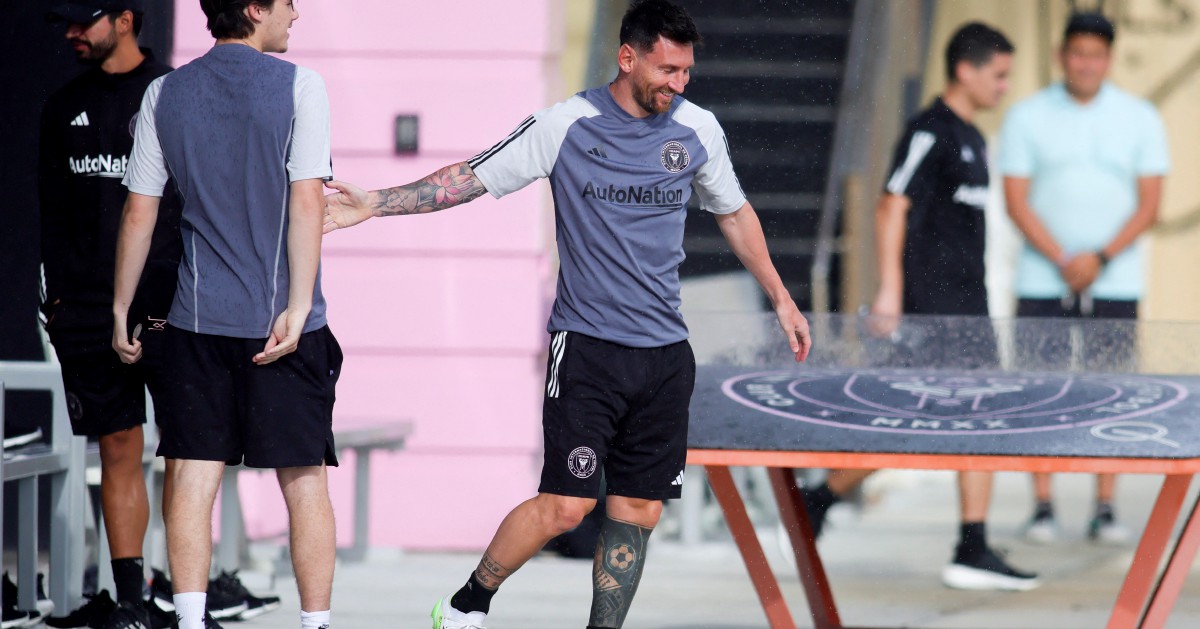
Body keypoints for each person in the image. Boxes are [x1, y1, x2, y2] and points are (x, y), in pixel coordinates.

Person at [323, 2, 811, 626]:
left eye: (687, 71)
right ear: (627, 57)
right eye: (667, 69)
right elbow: (468, 178)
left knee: (639, 511)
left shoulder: (698, 131)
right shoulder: (567, 124)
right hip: (587, 349)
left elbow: (735, 215)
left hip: (665, 357)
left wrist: (782, 299)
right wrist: (378, 204)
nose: (678, 84)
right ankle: (469, 602)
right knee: (566, 506)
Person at [113, 1, 339, 628]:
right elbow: (306, 201)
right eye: (286, 1)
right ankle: (315, 624)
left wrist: (121, 307)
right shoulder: (301, 86)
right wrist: (296, 307)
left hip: (194, 322)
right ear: (253, 9)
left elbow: (140, 210)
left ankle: (188, 620)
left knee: (191, 477)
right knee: (304, 482)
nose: (296, 11)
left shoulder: (165, 92)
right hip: (283, 327)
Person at [802, 22, 1041, 592]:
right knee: (909, 422)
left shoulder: (973, 137)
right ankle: (820, 497)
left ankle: (971, 544)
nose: (1005, 86)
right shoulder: (928, 131)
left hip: (969, 307)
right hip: (929, 307)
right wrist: (890, 292)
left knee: (978, 423)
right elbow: (892, 205)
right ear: (966, 69)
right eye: (999, 74)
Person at [1000, 12, 1168, 545]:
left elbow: (1151, 203)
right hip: (1041, 275)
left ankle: (1105, 506)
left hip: (1115, 278)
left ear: (1108, 59)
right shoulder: (1028, 115)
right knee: (1039, 389)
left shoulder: (1140, 117)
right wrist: (1061, 256)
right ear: (1061, 55)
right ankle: (1044, 506)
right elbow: (1015, 198)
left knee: (1112, 390)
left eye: (1096, 55)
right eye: (1078, 54)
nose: (1086, 65)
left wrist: (1098, 256)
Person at [38, 2, 180, 627]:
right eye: (64, 21)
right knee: (118, 447)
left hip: (172, 308)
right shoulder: (62, 106)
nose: (72, 32)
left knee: (187, 453)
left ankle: (186, 594)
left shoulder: (174, 95)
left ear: (125, 18)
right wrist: (62, 301)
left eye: (83, 19)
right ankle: (130, 605)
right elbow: (50, 217)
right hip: (90, 312)